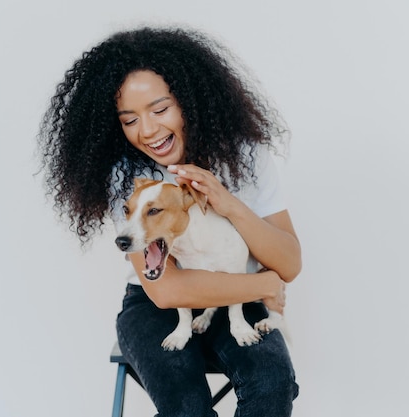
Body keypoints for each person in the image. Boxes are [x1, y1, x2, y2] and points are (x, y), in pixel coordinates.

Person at [38, 26, 302, 417]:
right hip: (156, 303)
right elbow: (166, 291)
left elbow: (290, 263)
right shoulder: (125, 176)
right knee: (185, 408)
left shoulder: (246, 156)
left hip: (233, 299)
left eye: (160, 110)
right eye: (129, 120)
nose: (147, 131)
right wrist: (261, 283)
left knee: (272, 384)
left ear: (191, 100)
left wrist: (226, 203)